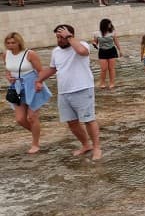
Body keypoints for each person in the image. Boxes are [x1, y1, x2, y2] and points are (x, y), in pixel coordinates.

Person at [35, 24, 102, 161]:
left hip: (82, 88)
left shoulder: (81, 44)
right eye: (57, 37)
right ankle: (86, 145)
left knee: (88, 120)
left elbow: (82, 52)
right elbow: (53, 69)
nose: (59, 40)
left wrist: (69, 37)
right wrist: (39, 80)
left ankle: (96, 148)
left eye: (62, 37)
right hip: (64, 92)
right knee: (71, 122)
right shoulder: (56, 52)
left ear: (70, 36)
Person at [3, 32, 51, 154]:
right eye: (8, 43)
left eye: (13, 42)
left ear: (19, 42)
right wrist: (9, 77)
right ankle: (37, 133)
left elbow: (40, 70)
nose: (10, 45)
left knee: (32, 117)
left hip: (32, 84)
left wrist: (39, 82)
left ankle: (35, 144)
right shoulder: (5, 54)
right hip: (16, 87)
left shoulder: (30, 54)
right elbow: (8, 70)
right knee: (20, 119)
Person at [93, 18, 122, 89]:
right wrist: (94, 43)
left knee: (111, 68)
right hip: (102, 52)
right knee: (103, 69)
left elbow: (116, 42)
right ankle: (102, 83)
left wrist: (120, 50)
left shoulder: (112, 32)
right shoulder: (97, 33)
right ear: (104, 25)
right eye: (109, 24)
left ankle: (112, 83)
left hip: (112, 51)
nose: (110, 25)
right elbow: (95, 42)